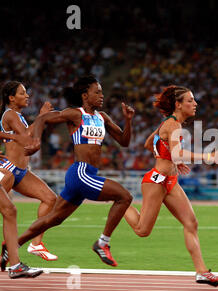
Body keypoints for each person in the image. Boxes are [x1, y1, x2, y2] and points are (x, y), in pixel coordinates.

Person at [1, 75, 135, 268]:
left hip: (88, 174)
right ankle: (102, 243)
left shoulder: (102, 117)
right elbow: (44, 119)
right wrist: (37, 141)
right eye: (96, 92)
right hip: (80, 173)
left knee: (53, 219)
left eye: (102, 92)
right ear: (84, 95)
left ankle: (12, 245)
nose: (101, 95)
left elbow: (124, 141)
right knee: (124, 196)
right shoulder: (75, 114)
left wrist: (128, 121)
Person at [124, 85, 218, 286]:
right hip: (156, 181)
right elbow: (173, 151)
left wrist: (171, 158)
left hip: (171, 181)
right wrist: (208, 156)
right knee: (142, 230)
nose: (195, 103)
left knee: (191, 223)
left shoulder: (169, 123)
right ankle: (119, 202)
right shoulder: (173, 125)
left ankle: (201, 272)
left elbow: (148, 144)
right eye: (190, 100)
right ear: (178, 105)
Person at [0, 81, 58, 262]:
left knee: (50, 199)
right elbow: (26, 137)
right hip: (8, 169)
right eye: (22, 93)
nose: (27, 96)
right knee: (7, 211)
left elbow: (26, 135)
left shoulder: (18, 115)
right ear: (11, 98)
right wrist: (41, 116)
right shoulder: (9, 114)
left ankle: (36, 244)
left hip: (22, 172)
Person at [0, 126, 43, 278]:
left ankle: (15, 265)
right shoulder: (8, 115)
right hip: (9, 170)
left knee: (10, 210)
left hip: (10, 171)